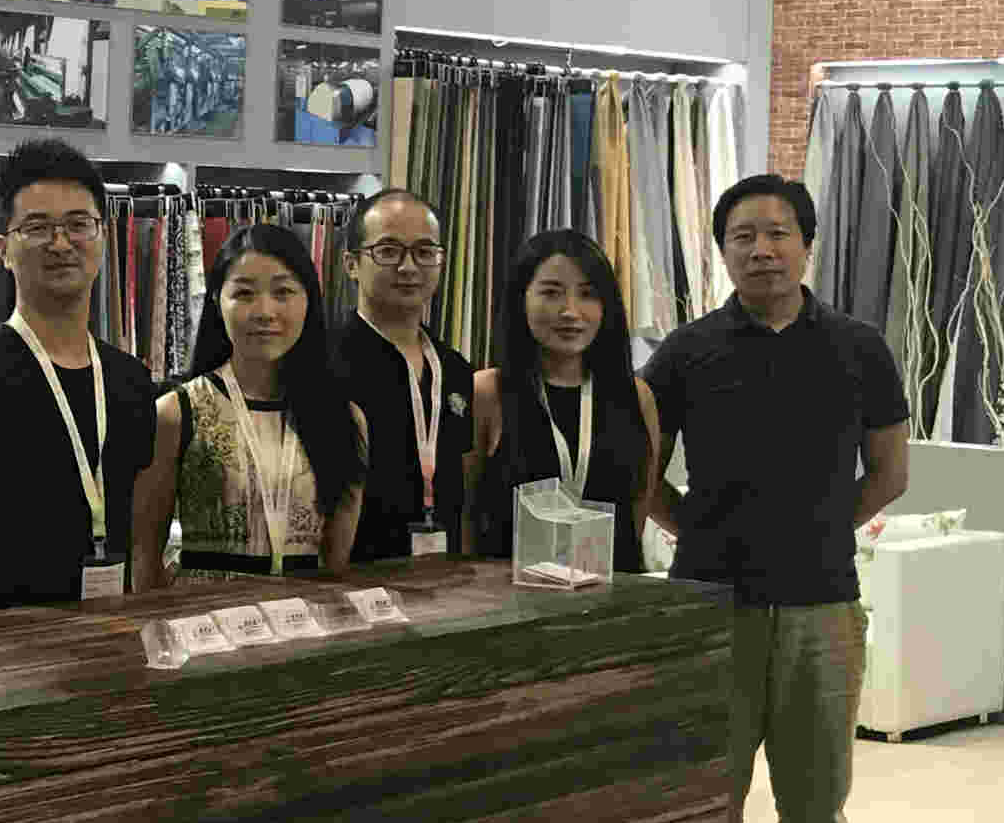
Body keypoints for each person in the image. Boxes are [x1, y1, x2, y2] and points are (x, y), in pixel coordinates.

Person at [644, 172, 911, 823]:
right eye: (743, 236)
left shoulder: (859, 348)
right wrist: (696, 528)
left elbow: (890, 471)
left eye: (778, 232)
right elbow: (642, 473)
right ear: (722, 250)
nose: (762, 249)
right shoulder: (684, 353)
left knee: (816, 811)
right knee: (703, 810)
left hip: (822, 609)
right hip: (709, 608)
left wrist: (822, 530)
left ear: (807, 242)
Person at [0, 140, 160, 611]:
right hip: (7, 643)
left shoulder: (132, 382)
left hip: (112, 634)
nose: (61, 244)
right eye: (37, 228)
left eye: (78, 224)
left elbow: (145, 540)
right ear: (3, 250)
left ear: (103, 236)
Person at [132, 220, 369, 578]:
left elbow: (337, 563)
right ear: (217, 301)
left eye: (283, 292)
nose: (264, 312)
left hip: (306, 609)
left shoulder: (343, 417)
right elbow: (145, 558)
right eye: (244, 294)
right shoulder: (177, 412)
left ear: (308, 300)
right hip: (207, 610)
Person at [470, 230, 660, 572]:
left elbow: (636, 513)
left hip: (615, 595)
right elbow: (465, 517)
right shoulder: (488, 392)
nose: (570, 311)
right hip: (510, 596)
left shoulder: (636, 397)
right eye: (551, 293)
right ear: (521, 298)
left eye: (587, 294)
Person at [332, 187, 469, 564]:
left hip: (443, 578)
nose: (409, 267)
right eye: (389, 251)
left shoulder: (455, 369)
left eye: (424, 252)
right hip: (351, 578)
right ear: (352, 264)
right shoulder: (325, 365)